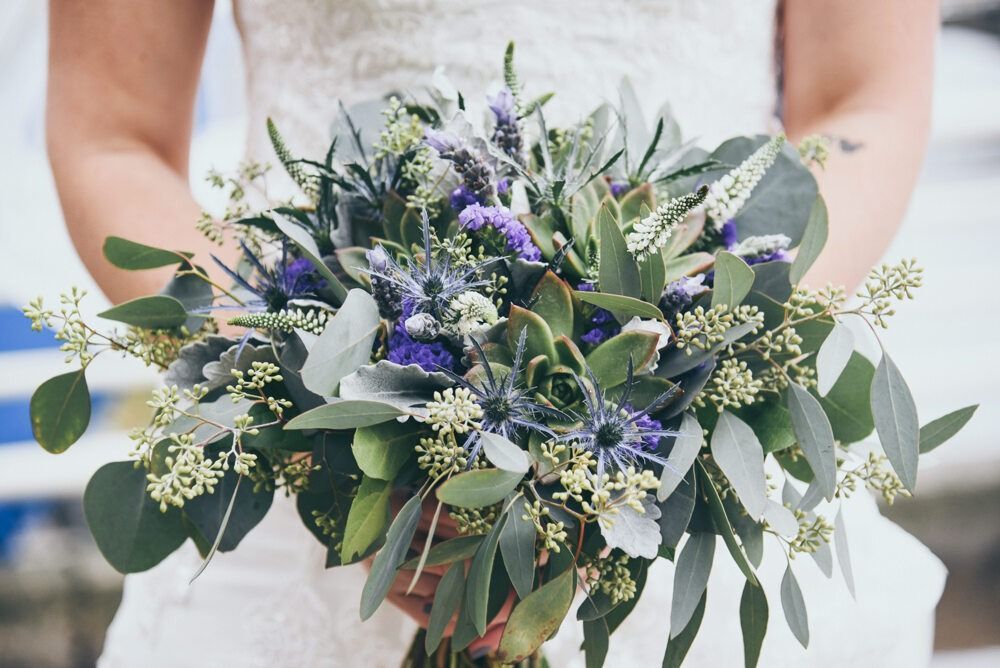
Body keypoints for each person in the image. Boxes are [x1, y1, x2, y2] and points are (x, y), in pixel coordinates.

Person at [47, 1, 943, 665]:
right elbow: (112, 134)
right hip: (311, 452)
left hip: (687, 450)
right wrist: (311, 410)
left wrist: (701, 362)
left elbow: (865, 105)